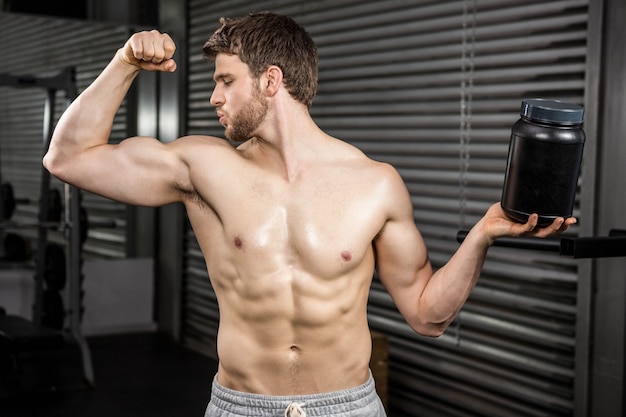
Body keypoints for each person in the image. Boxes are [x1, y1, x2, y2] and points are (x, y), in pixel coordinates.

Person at [43, 11, 576, 417]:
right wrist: (124, 64)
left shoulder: (375, 184)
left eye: (226, 80)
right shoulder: (199, 167)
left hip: (347, 408)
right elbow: (66, 158)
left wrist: (482, 234)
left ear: (271, 81)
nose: (213, 97)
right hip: (240, 407)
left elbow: (426, 315)